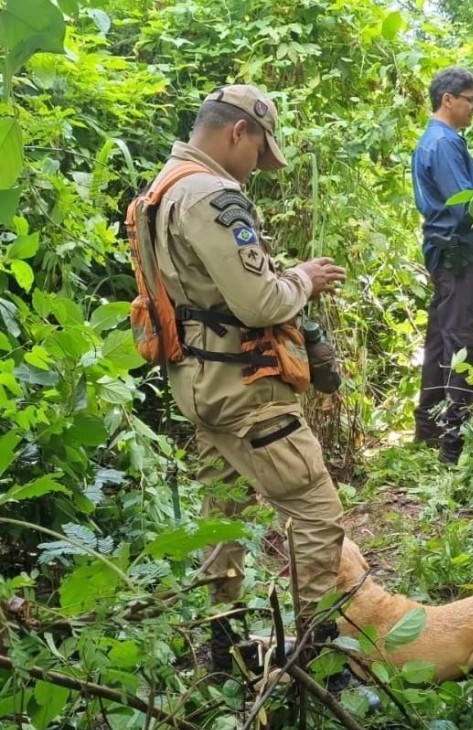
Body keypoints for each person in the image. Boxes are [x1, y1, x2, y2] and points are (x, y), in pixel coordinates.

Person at [147, 84, 347, 673]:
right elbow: (259, 303)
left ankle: (223, 645)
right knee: (315, 509)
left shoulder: (164, 187)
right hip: (244, 391)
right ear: (239, 131)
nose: (258, 167)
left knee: (222, 513)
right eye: (259, 152)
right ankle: (317, 658)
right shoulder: (212, 195)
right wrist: (304, 279)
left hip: (197, 384)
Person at [411, 66, 473, 464]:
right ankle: (455, 445)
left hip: (448, 254)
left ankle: (429, 430)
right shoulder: (443, 143)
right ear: (448, 100)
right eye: (470, 101)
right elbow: (465, 206)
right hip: (458, 255)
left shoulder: (440, 140)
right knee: (464, 343)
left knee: (440, 340)